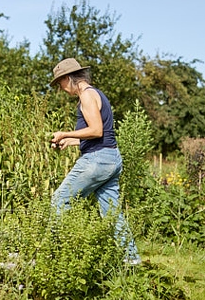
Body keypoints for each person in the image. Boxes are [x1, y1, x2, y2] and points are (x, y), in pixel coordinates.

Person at [49, 57, 140, 265]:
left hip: (97, 160)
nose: (61, 89)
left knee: (59, 201)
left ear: (69, 78)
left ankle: (56, 256)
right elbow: (101, 134)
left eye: (60, 83)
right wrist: (70, 141)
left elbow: (96, 130)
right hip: (111, 157)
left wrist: (64, 133)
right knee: (112, 213)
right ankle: (132, 262)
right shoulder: (97, 94)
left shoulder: (87, 96)